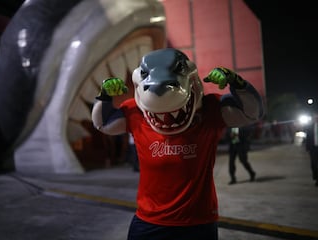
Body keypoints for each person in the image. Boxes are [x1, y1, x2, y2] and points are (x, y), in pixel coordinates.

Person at [91, 48, 264, 240]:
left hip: (197, 221)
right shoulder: (134, 113)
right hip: (149, 220)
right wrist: (104, 96)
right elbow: (103, 123)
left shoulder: (211, 110)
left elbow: (251, 113)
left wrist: (237, 83)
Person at [305, 113, 318, 186]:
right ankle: (316, 177)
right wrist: (307, 148)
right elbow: (308, 138)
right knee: (314, 164)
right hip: (313, 148)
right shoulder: (310, 127)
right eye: (315, 117)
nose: (316, 119)